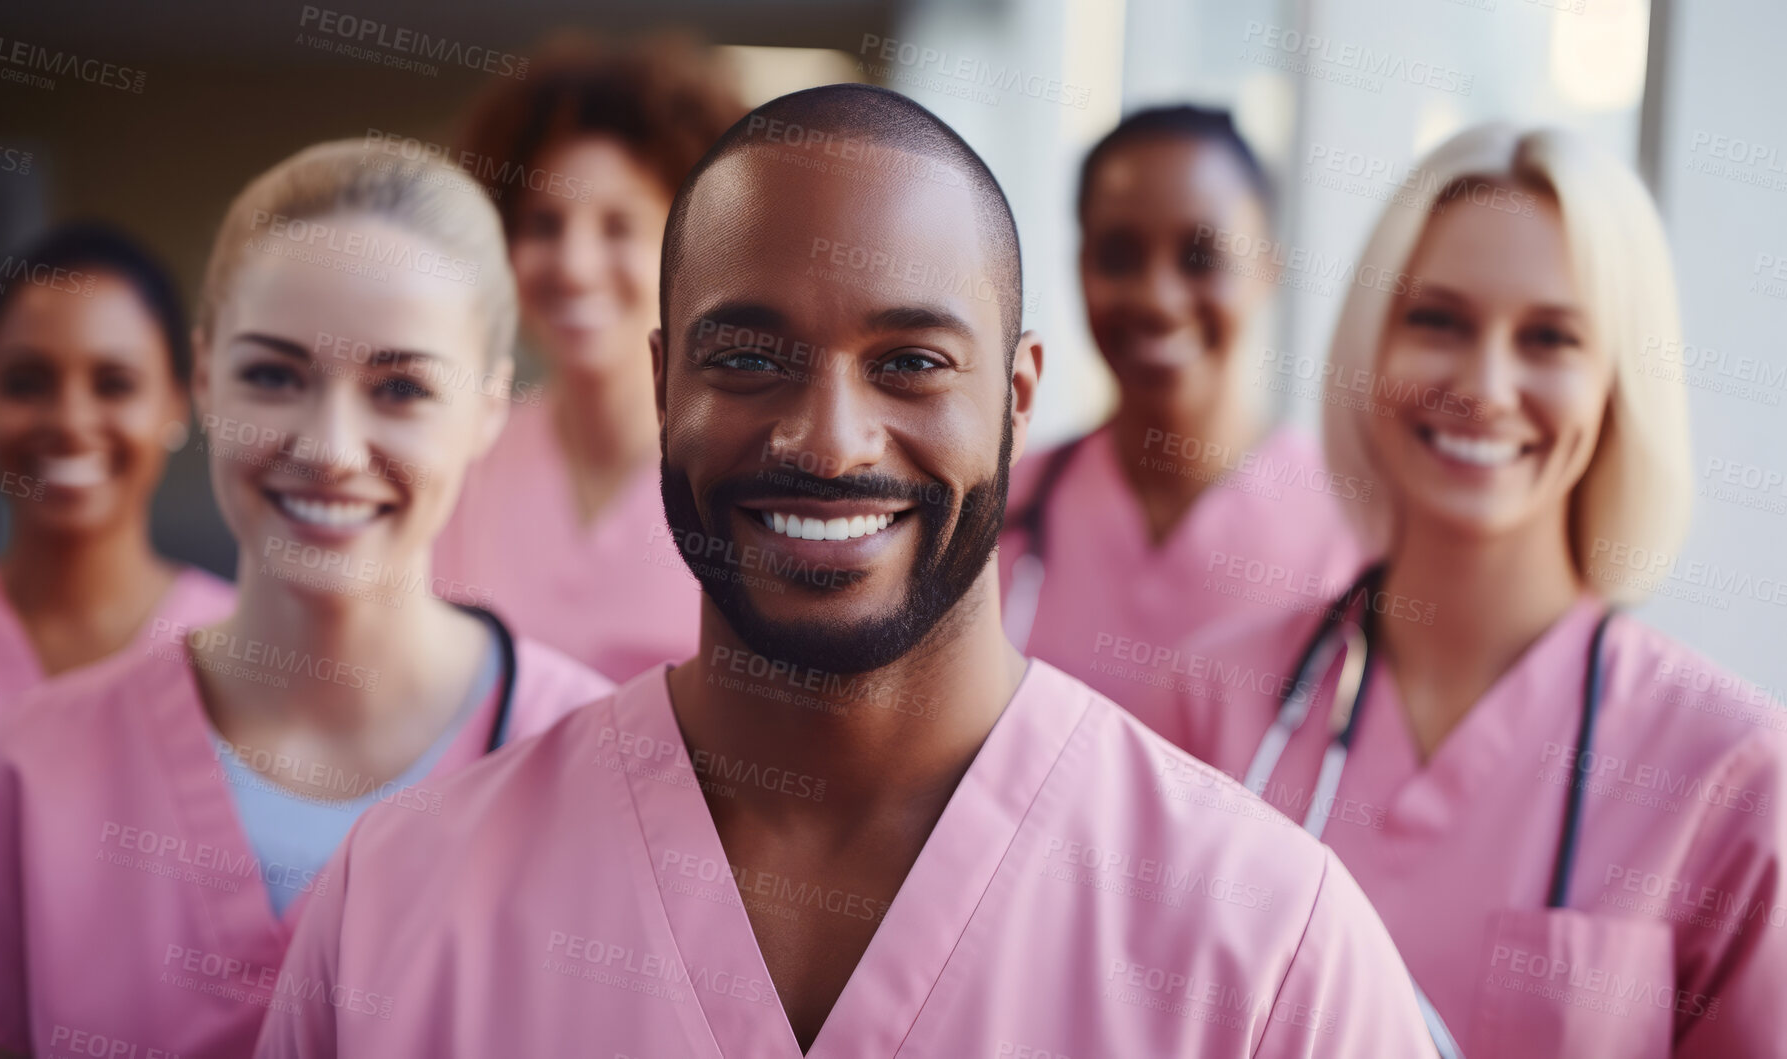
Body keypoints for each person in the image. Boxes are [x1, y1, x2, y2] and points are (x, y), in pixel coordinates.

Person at [255, 85, 1434, 1058]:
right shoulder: (395, 911)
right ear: (664, 383)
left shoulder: (1266, 945)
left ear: (1016, 398)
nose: (826, 441)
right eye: (750, 356)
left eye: (911, 362)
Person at [0, 141, 612, 1058]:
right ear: (201, 377)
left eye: (399, 387)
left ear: (489, 408)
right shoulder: (35, 773)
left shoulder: (598, 767)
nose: (329, 447)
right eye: (273, 375)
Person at [1152, 124, 1787, 1056]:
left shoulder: (1726, 767)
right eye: (1438, 320)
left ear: (1618, 383)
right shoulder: (1205, 703)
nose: (1485, 386)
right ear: (1370, 346)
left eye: (1549, 337)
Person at [0, 222, 236, 1053]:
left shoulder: (251, 661)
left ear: (177, 402)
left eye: (114, 381)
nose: (70, 417)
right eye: (28, 381)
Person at [997, 106, 1363, 728]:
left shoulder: (1350, 533)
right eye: (1117, 255)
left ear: (1267, 269)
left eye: (1201, 257)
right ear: (1079, 265)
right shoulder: (998, 506)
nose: (1157, 298)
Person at [431, 33, 748, 680]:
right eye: (542, 225)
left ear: (698, 246)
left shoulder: (752, 471)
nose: (573, 266)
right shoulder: (458, 459)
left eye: (617, 227)